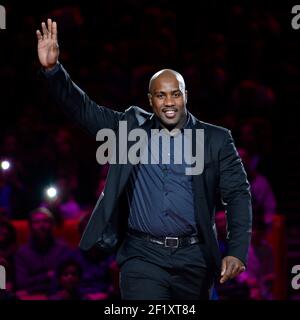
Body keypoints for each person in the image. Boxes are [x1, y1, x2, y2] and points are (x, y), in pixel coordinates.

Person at [36, 19, 252, 300]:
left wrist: (236, 251)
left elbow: (237, 194)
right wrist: (53, 70)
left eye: (176, 94)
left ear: (186, 96)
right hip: (142, 256)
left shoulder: (216, 139)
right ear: (150, 100)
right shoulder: (129, 128)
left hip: (194, 256)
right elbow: (84, 111)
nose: (170, 102)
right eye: (161, 96)